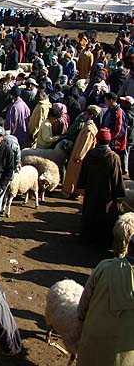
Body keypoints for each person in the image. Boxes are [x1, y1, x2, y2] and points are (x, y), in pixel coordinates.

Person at [75, 235, 134, 365]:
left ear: (128, 245)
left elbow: (85, 301)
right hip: (123, 354)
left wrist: (80, 319)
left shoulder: (104, 267)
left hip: (93, 340)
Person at [77, 128, 126, 246]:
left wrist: (81, 185)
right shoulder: (113, 157)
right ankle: (103, 241)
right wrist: (119, 193)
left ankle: (87, 238)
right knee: (106, 215)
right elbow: (116, 177)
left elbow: (84, 172)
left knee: (90, 212)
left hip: (91, 190)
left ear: (97, 141)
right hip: (107, 193)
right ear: (109, 141)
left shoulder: (90, 154)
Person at [62, 107, 100, 198]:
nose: (84, 115)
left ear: (90, 116)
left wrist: (79, 156)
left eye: (86, 114)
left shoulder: (89, 129)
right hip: (78, 153)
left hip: (79, 157)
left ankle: (73, 193)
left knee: (76, 175)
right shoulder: (87, 126)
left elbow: (85, 145)